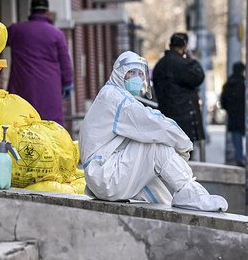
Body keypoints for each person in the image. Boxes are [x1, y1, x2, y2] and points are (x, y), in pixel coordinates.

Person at [79, 51, 228, 211]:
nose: (137, 78)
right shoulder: (117, 100)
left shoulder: (111, 95)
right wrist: (183, 143)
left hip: (104, 174)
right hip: (105, 176)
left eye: (140, 74)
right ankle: (190, 192)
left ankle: (174, 218)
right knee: (156, 146)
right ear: (119, 74)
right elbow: (153, 123)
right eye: (131, 73)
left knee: (161, 195)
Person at [7, 0, 73, 126]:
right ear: (47, 12)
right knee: (49, 125)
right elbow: (65, 61)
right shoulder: (56, 34)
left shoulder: (16, 30)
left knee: (21, 123)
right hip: (50, 88)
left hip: (22, 86)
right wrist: (67, 83)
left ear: (31, 12)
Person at [152, 33, 205, 157]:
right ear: (184, 46)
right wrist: (193, 61)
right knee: (185, 157)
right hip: (185, 118)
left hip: (166, 118)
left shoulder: (160, 65)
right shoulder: (183, 64)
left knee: (169, 157)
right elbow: (198, 77)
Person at [220, 62, 246, 166]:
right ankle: (242, 157)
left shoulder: (228, 84)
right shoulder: (244, 83)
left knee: (236, 137)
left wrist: (230, 109)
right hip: (244, 115)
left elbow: (223, 102)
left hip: (233, 115)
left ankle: (239, 157)